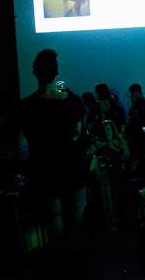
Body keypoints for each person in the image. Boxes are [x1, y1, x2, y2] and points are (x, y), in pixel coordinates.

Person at [17, 49, 87, 255]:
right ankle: (80, 263)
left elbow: (24, 142)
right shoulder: (73, 102)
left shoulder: (25, 107)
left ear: (34, 72)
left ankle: (61, 263)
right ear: (56, 72)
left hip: (44, 172)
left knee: (55, 227)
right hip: (72, 169)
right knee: (78, 224)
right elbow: (78, 134)